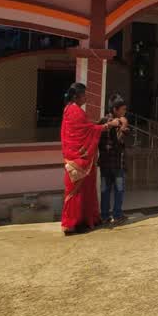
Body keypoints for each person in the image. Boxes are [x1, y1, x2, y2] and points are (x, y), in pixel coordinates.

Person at [60, 83, 120, 236]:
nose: (86, 97)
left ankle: (82, 221)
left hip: (74, 157)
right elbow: (87, 131)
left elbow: (85, 128)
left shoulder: (69, 109)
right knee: (77, 192)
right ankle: (72, 224)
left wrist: (98, 124)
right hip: (79, 159)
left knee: (81, 191)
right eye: (84, 94)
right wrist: (108, 125)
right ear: (76, 96)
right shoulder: (75, 111)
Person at [98, 94, 130, 225]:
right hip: (116, 164)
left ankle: (105, 215)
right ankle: (117, 214)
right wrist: (124, 124)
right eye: (123, 109)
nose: (124, 112)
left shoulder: (102, 121)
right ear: (115, 109)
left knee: (105, 190)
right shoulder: (117, 123)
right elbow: (120, 139)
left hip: (104, 164)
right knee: (119, 190)